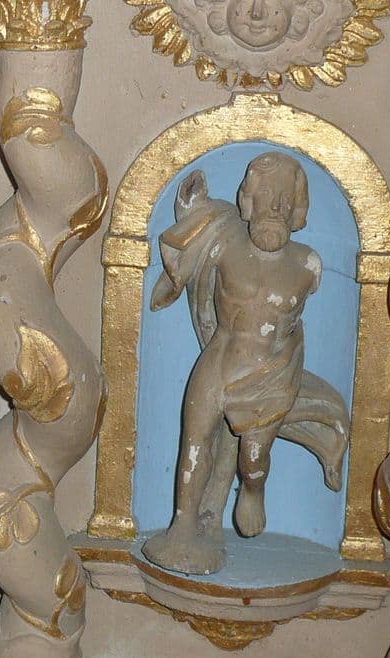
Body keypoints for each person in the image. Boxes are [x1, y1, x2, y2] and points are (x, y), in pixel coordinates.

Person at [143, 153, 349, 575]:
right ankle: (183, 528)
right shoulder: (226, 244)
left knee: (251, 463)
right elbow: (194, 232)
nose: (275, 206)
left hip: (270, 375)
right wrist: (191, 200)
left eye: (285, 198)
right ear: (248, 201)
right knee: (195, 443)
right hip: (219, 359)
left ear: (298, 209)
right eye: (267, 194)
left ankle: (253, 491)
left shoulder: (307, 263)